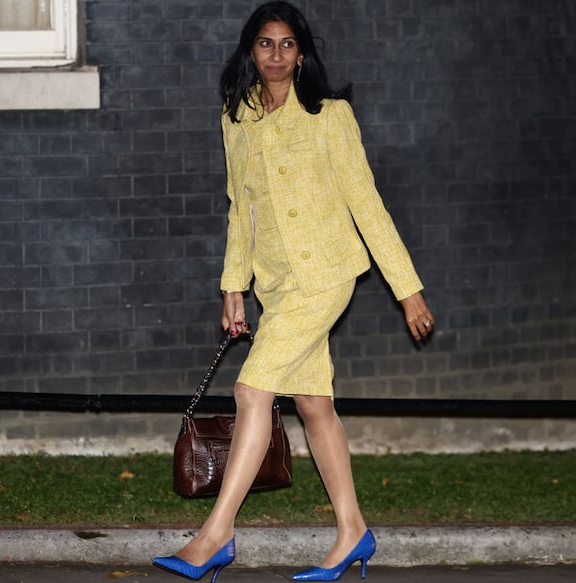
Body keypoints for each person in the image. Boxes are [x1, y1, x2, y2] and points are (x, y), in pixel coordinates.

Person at [153, 2, 435, 581]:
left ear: (301, 53)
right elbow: (242, 211)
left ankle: (216, 534)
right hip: (277, 287)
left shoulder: (330, 116)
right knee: (314, 405)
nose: (275, 54)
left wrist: (407, 289)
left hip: (326, 276)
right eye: (265, 43)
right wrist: (233, 286)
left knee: (252, 390)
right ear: (250, 52)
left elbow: (368, 206)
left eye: (286, 44)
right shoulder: (236, 119)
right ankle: (354, 532)